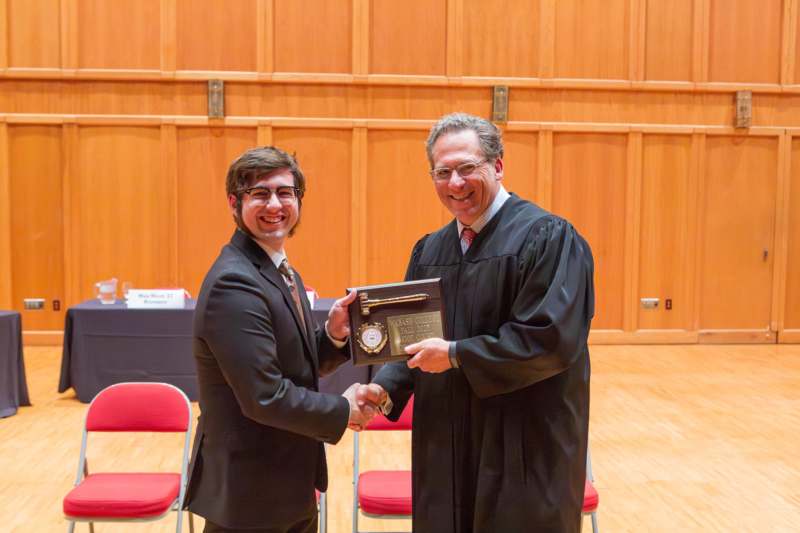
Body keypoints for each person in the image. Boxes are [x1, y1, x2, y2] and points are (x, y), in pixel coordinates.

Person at [359, 113, 595, 532]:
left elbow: (550, 338)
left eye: (467, 168)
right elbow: (411, 336)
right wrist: (384, 387)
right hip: (445, 444)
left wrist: (456, 355)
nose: (455, 183)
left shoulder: (548, 238)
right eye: (442, 172)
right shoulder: (430, 250)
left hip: (522, 443)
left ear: (497, 165)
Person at [185, 146, 372, 532]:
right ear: (234, 203)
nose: (275, 204)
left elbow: (292, 363)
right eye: (260, 193)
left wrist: (334, 335)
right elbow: (265, 396)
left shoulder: (278, 268)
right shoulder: (234, 282)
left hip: (286, 481)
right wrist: (343, 409)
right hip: (251, 493)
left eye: (285, 192)